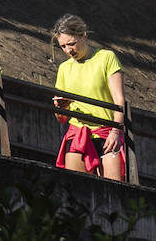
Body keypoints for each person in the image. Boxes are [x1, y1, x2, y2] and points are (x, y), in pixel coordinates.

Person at [51, 14, 126, 181]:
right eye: (63, 46)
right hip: (77, 133)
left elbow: (119, 100)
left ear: (84, 36)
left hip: (107, 132)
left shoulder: (106, 58)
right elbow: (61, 118)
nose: (68, 50)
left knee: (114, 191)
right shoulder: (64, 68)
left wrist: (116, 131)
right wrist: (60, 107)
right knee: (76, 189)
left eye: (71, 44)